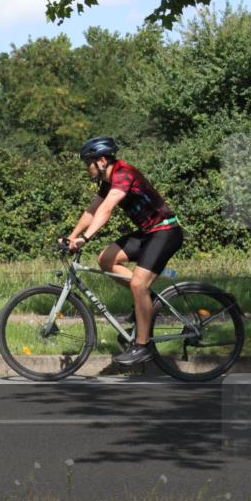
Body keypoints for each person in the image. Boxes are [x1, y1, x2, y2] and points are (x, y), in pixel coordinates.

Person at [63, 137, 184, 366]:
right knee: (106, 259)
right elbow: (93, 210)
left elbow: (107, 208)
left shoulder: (123, 174)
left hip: (166, 232)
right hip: (149, 233)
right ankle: (147, 301)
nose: (87, 168)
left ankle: (142, 346)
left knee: (138, 284)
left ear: (101, 161)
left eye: (88, 163)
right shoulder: (108, 181)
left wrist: (85, 238)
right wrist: (72, 236)